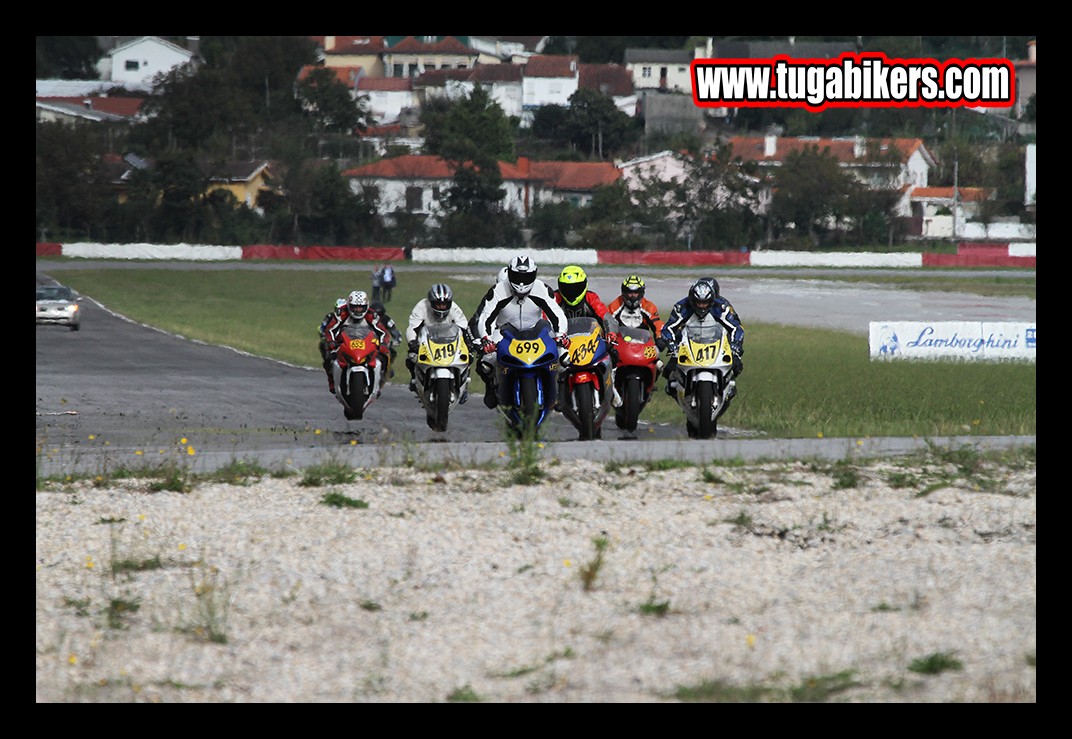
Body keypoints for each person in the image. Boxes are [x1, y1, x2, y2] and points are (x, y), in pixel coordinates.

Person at [469, 254, 570, 409]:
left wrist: (561, 335)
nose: (521, 282)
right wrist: (485, 339)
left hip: (537, 333)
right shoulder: (498, 290)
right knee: (485, 361)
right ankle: (491, 387)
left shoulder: (542, 289)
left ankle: (560, 391)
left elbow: (557, 314)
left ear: (534, 274)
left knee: (564, 357)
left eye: (527, 276)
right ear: (509, 274)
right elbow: (486, 317)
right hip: (504, 333)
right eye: (516, 276)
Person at [660, 278, 745, 397]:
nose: (701, 307)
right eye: (698, 303)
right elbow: (667, 328)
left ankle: (730, 384)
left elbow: (737, 328)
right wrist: (672, 345)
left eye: (705, 303)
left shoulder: (721, 307)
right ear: (692, 300)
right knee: (668, 371)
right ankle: (676, 386)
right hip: (688, 341)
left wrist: (735, 349)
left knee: (737, 365)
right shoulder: (682, 307)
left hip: (715, 341)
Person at [553, 265, 621, 407]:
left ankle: (612, 386)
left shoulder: (591, 297)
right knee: (550, 361)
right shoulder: (555, 299)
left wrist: (611, 333)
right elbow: (544, 317)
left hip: (590, 341)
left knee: (613, 352)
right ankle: (556, 393)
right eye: (567, 288)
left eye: (576, 288)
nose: (572, 292)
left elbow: (606, 316)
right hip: (564, 343)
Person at [405, 283, 475, 400]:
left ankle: (464, 385)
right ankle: (414, 379)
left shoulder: (454, 308)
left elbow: (464, 327)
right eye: (438, 304)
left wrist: (469, 343)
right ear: (431, 302)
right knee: (411, 357)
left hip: (449, 340)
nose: (441, 307)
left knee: (469, 356)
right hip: (427, 340)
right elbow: (412, 327)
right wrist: (413, 343)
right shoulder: (421, 307)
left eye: (444, 304)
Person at [323, 290, 392, 392]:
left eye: (361, 307)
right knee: (329, 357)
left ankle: (382, 380)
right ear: (349, 305)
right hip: (345, 342)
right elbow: (330, 329)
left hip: (366, 343)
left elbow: (383, 332)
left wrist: (383, 344)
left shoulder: (372, 315)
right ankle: (331, 382)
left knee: (386, 355)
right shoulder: (341, 313)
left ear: (366, 306)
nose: (358, 310)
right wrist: (331, 341)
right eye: (355, 307)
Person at [607, 274, 665, 345]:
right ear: (624, 293)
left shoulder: (649, 307)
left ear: (641, 293)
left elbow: (657, 324)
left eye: (636, 293)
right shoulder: (615, 305)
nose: (632, 296)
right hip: (620, 345)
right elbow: (607, 322)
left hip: (643, 345)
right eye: (630, 293)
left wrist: (659, 338)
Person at [318, 297, 347, 394]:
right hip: (333, 342)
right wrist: (324, 335)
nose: (340, 312)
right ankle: (331, 380)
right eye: (338, 309)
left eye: (342, 309)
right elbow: (322, 328)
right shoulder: (330, 317)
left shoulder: (350, 318)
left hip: (348, 342)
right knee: (328, 358)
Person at [370, 300, 402, 383]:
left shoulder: (387, 320)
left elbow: (394, 331)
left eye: (379, 315)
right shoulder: (366, 319)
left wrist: (397, 339)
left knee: (392, 352)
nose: (377, 318)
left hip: (383, 343)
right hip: (369, 343)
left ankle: (387, 367)